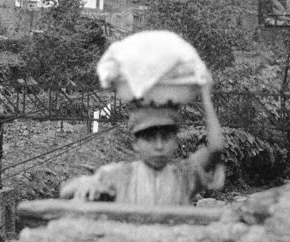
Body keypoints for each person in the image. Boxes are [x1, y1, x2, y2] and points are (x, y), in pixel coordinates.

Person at [60, 81, 225, 206]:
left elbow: (215, 148)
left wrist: (206, 98)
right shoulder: (120, 175)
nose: (159, 146)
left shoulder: (184, 176)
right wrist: (88, 183)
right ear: (135, 144)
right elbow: (65, 190)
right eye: (150, 139)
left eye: (166, 138)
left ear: (176, 142)